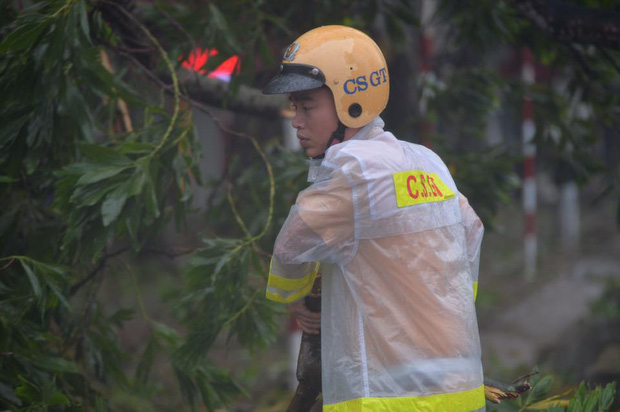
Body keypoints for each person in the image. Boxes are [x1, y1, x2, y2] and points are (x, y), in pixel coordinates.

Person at [263, 25, 486, 411]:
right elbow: (473, 229)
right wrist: (449, 304)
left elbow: (291, 245)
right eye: (294, 108)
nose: (296, 120)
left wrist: (295, 296)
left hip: (388, 396)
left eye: (306, 106)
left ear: (351, 101)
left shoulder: (352, 171)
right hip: (462, 389)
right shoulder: (427, 161)